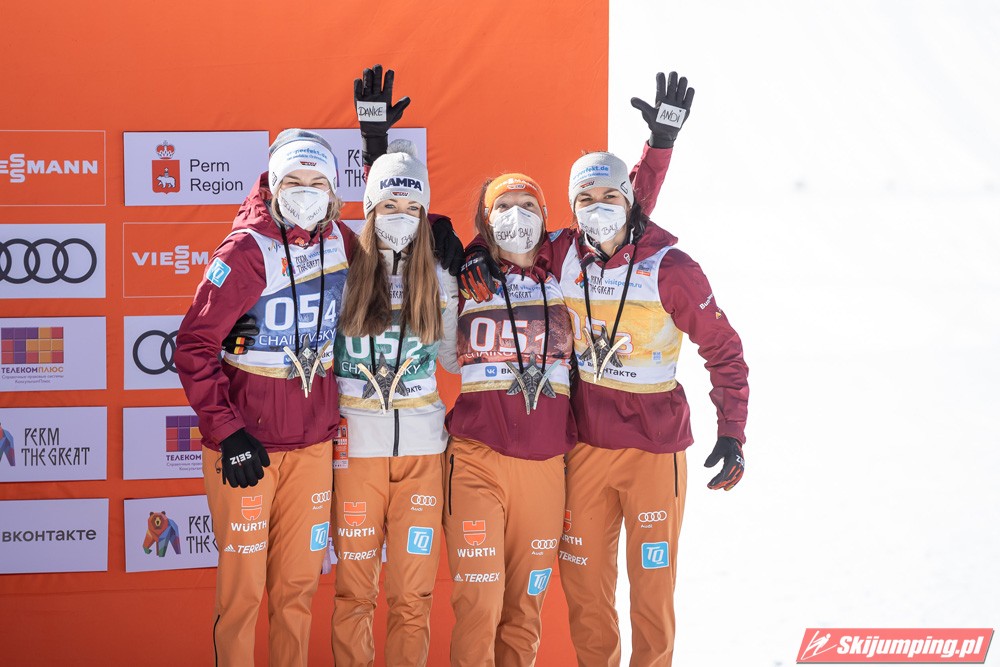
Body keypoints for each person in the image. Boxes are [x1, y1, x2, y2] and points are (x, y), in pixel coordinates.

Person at [461, 72, 750, 666]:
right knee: (587, 594)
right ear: (572, 210)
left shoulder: (671, 268)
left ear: (630, 202)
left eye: (610, 199)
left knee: (651, 594)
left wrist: (732, 432)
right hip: (587, 449)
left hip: (654, 450)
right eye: (584, 200)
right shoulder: (562, 254)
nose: (598, 210)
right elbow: (507, 236)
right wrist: (470, 252)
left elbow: (724, 350)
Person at [176, 128, 349, 667]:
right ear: (272, 185)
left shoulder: (342, 240)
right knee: (242, 593)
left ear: (334, 189)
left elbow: (400, 223)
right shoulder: (248, 249)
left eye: (317, 181)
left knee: (297, 591)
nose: (306, 192)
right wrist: (228, 433)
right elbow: (193, 346)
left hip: (312, 447)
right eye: (293, 181)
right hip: (248, 449)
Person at [329, 137, 459, 665]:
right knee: (354, 594)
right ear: (370, 209)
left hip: (423, 455)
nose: (401, 215)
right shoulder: (341, 267)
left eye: (412, 206)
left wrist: (459, 276)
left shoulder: (440, 273)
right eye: (389, 204)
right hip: (356, 453)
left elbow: (453, 359)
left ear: (425, 213)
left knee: (413, 597)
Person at [444, 172, 576, 666]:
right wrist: (470, 250)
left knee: (523, 613)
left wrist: (660, 146)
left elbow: (624, 220)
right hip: (477, 459)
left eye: (527, 205)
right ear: (485, 219)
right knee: (479, 605)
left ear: (545, 218)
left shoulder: (567, 275)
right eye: (503, 206)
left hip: (544, 466)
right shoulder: (466, 278)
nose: (516, 215)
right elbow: (408, 222)